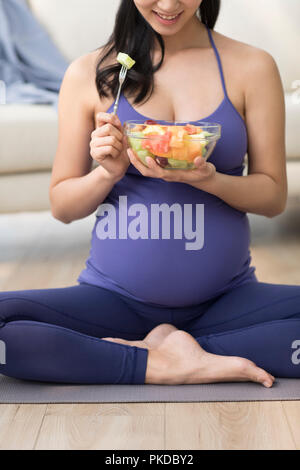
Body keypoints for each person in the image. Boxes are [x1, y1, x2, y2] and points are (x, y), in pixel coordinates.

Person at [1, 0, 299, 387]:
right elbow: (62, 206)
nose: (169, 4)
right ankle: (163, 363)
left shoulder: (253, 67)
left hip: (227, 300)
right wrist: (107, 174)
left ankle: (159, 352)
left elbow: (273, 197)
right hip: (113, 300)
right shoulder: (89, 74)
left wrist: (209, 179)